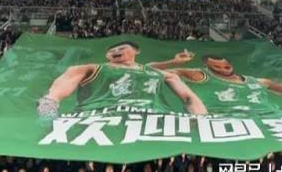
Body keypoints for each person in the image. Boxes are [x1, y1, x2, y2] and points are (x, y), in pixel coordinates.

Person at [152, 52, 282, 126]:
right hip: (232, 124)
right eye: (217, 67)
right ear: (207, 67)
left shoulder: (257, 81)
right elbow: (149, 70)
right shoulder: (200, 75)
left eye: (225, 66)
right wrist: (174, 61)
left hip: (275, 122)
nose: (223, 70)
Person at [37, 42, 207, 118]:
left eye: (122, 48)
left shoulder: (160, 74)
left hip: (153, 121)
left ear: (136, 51)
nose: (116, 51)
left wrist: (201, 122)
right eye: (112, 50)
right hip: (100, 118)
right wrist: (47, 118)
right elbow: (52, 96)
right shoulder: (90, 69)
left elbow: (190, 98)